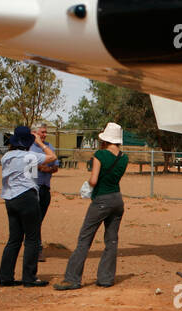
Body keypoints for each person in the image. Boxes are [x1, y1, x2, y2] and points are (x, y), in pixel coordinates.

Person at [54, 122, 128, 290]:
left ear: (105, 139)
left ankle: (72, 278)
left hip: (101, 199)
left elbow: (94, 180)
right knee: (111, 240)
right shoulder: (124, 157)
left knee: (85, 239)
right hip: (117, 199)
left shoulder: (100, 155)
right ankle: (106, 278)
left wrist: (87, 186)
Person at [0, 124, 55, 288]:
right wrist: (41, 144)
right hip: (27, 197)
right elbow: (52, 156)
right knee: (32, 238)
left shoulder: (6, 157)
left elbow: (30, 173)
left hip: (10, 198)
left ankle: (5, 276)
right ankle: (29, 277)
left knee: (14, 239)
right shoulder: (29, 156)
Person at [29, 122, 60, 258]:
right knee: (34, 220)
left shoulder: (49, 147)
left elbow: (55, 166)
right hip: (32, 189)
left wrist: (44, 166)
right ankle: (36, 249)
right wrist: (43, 166)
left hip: (45, 189)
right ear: (34, 133)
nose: (45, 135)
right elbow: (32, 167)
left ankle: (33, 246)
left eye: (45, 132)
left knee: (38, 220)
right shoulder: (28, 148)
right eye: (42, 132)